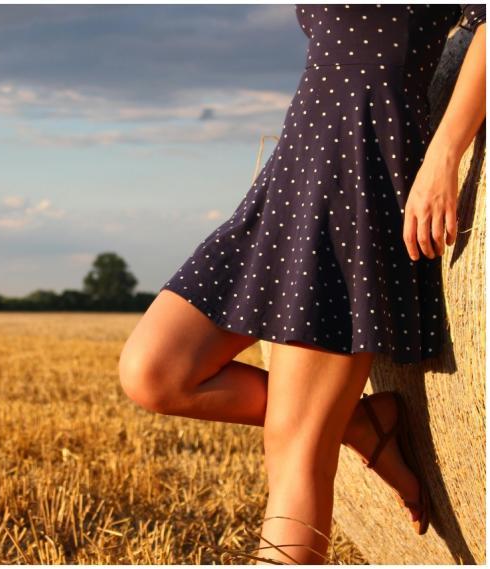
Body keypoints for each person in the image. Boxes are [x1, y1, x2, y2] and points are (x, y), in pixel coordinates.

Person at [118, 4, 486, 564]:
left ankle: (332, 425)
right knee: (154, 372)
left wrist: (443, 156)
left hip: (357, 182)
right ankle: (359, 422)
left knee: (293, 452)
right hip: (290, 177)